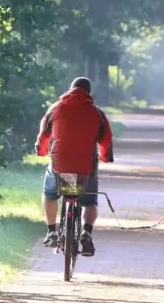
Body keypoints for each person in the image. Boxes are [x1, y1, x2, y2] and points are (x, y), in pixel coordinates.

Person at [35, 77, 114, 257]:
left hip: (60, 166)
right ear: (89, 93)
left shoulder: (55, 109)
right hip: (86, 169)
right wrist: (105, 157)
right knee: (90, 202)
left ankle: (52, 232)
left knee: (49, 194)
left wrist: (41, 151)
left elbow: (44, 135)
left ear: (70, 90)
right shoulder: (97, 113)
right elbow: (106, 140)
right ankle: (86, 232)